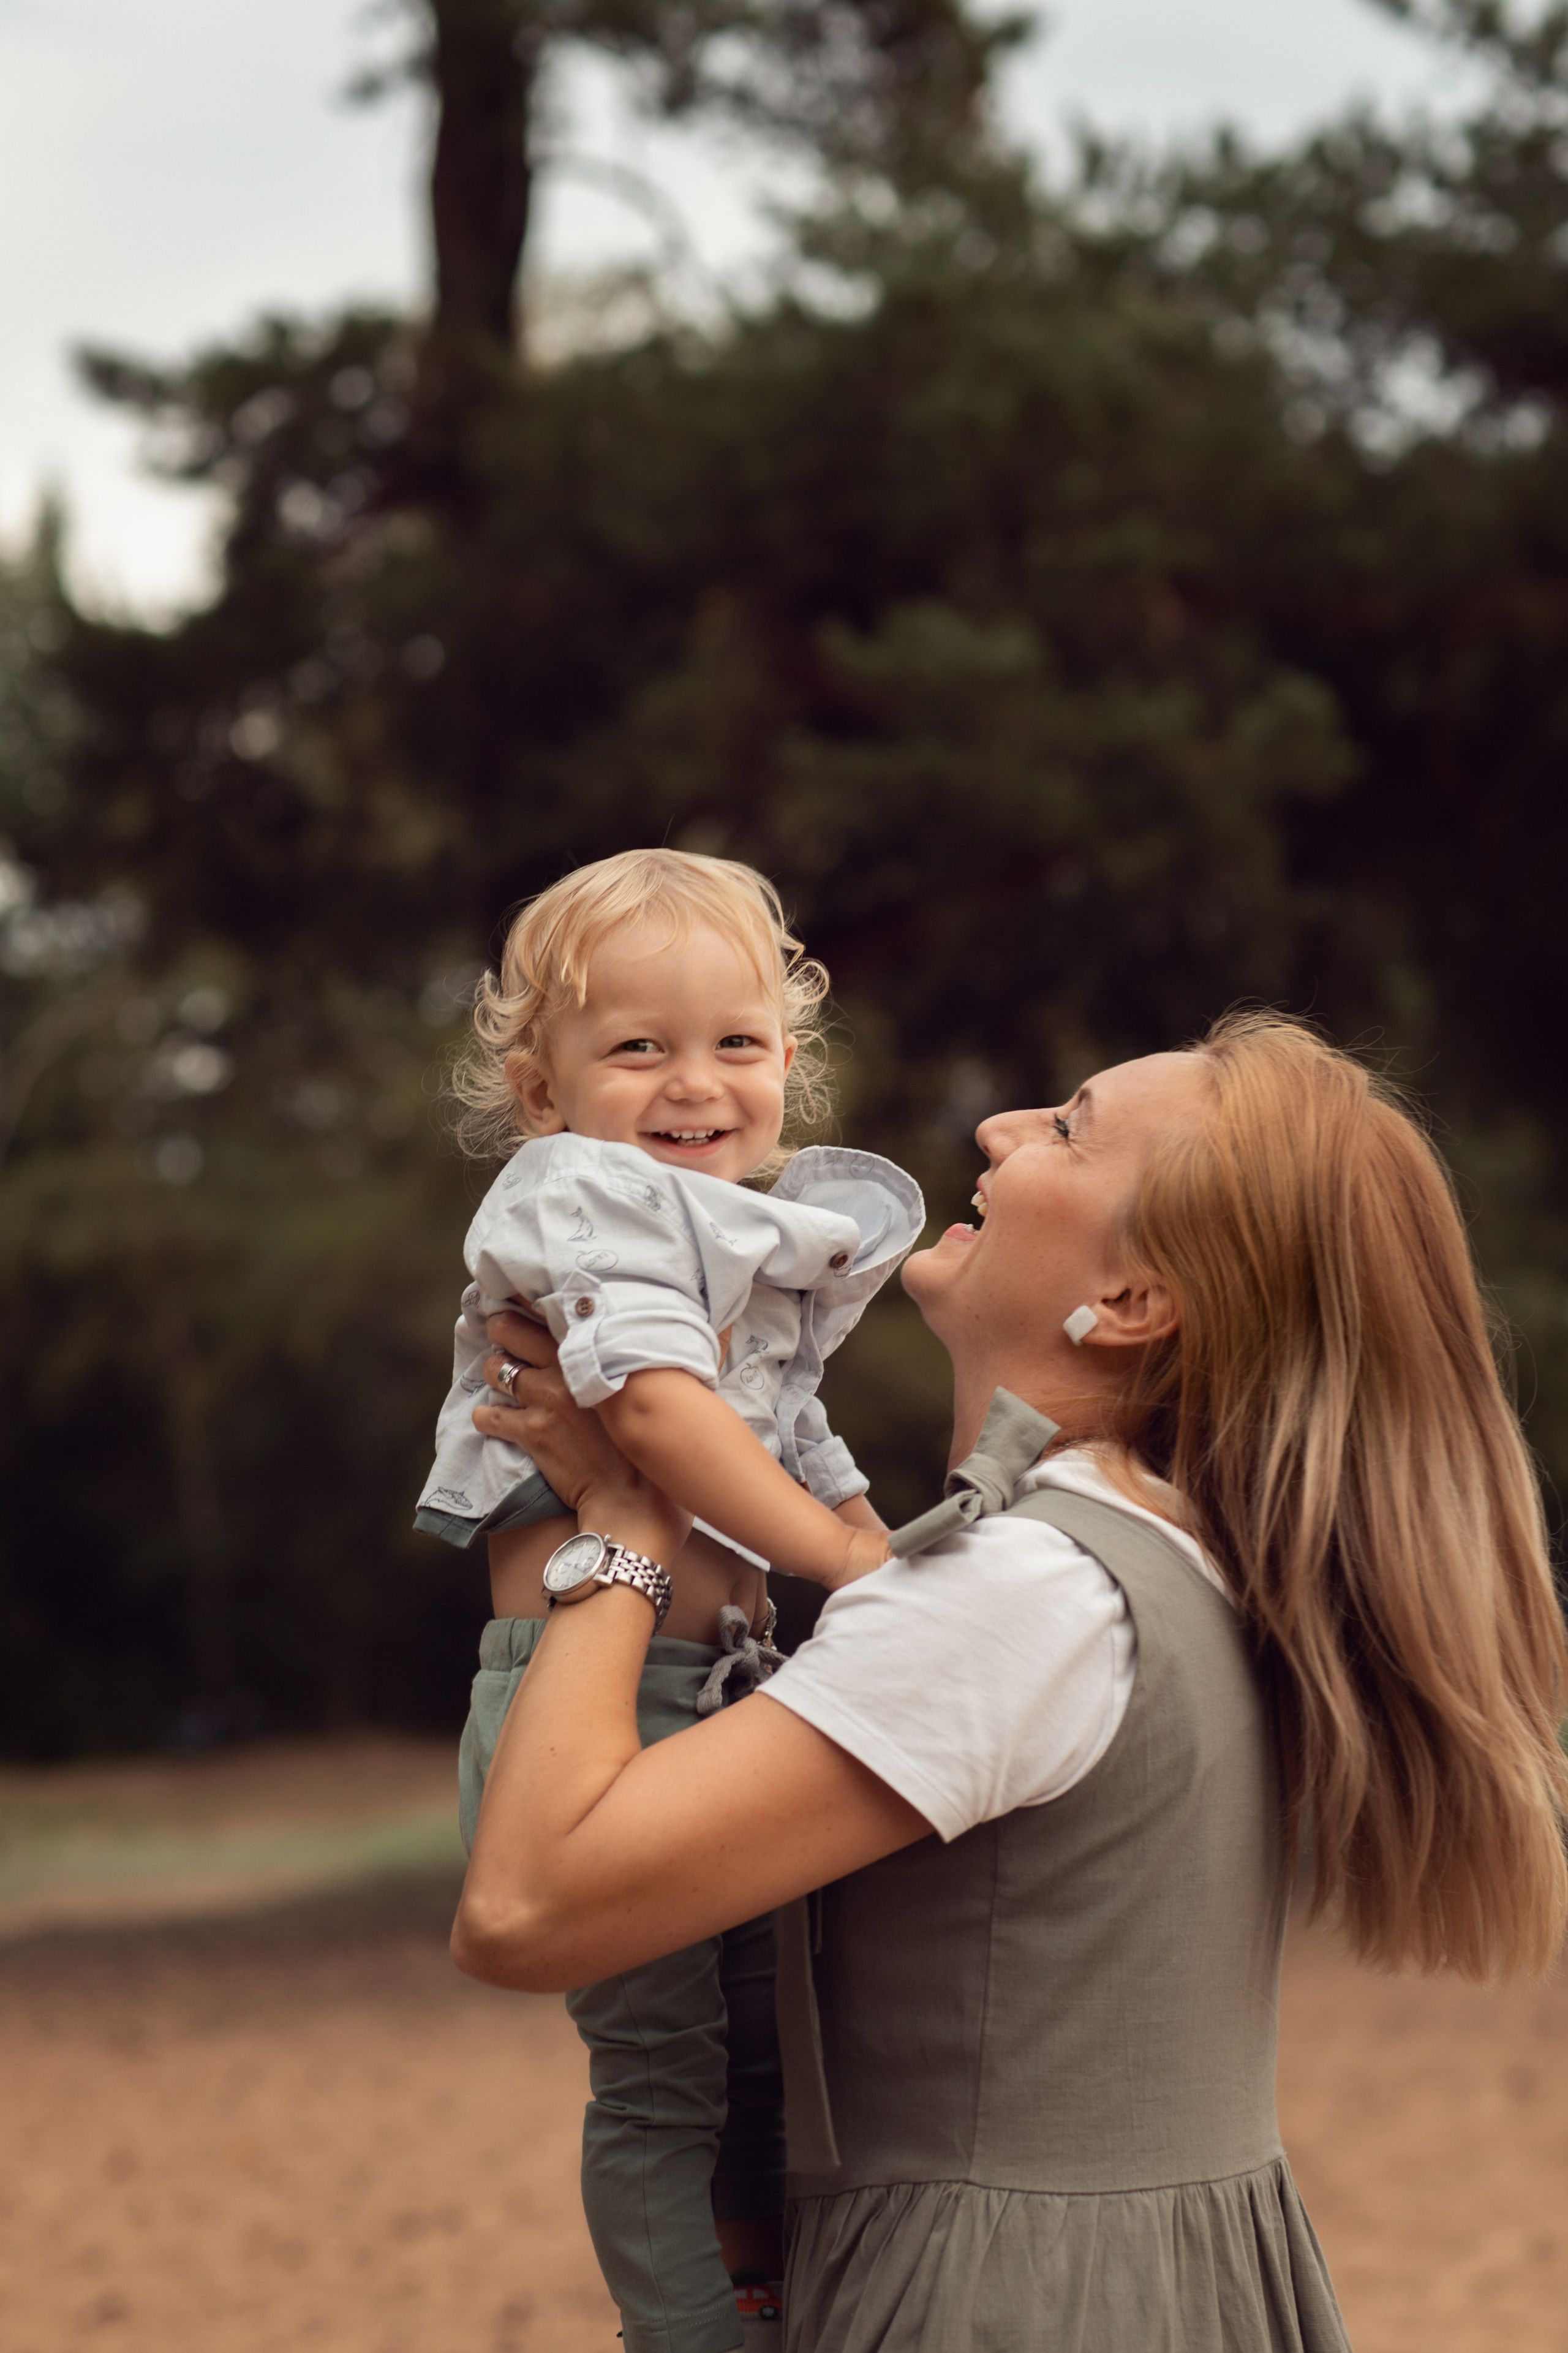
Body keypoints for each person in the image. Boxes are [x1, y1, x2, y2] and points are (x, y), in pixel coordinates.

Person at [451, 1011, 1568, 2353]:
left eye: (1066, 1127)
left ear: (1132, 1302)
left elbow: (523, 1908)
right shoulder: (1177, 1555)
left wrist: (623, 1532)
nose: (997, 1127)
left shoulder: (1017, 1596)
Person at [414, 847, 922, 2353]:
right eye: (637, 1046)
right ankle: (683, 2334)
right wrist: (848, 1572)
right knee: (660, 2075)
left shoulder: (732, 1234)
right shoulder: (585, 1203)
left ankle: (759, 2307)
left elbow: (787, 1426)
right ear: (543, 1092)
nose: (692, 1083)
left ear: (788, 1065)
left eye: (736, 1044)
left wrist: (864, 1530)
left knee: (770, 2053)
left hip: (723, 1687)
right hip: (589, 1702)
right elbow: (655, 1418)